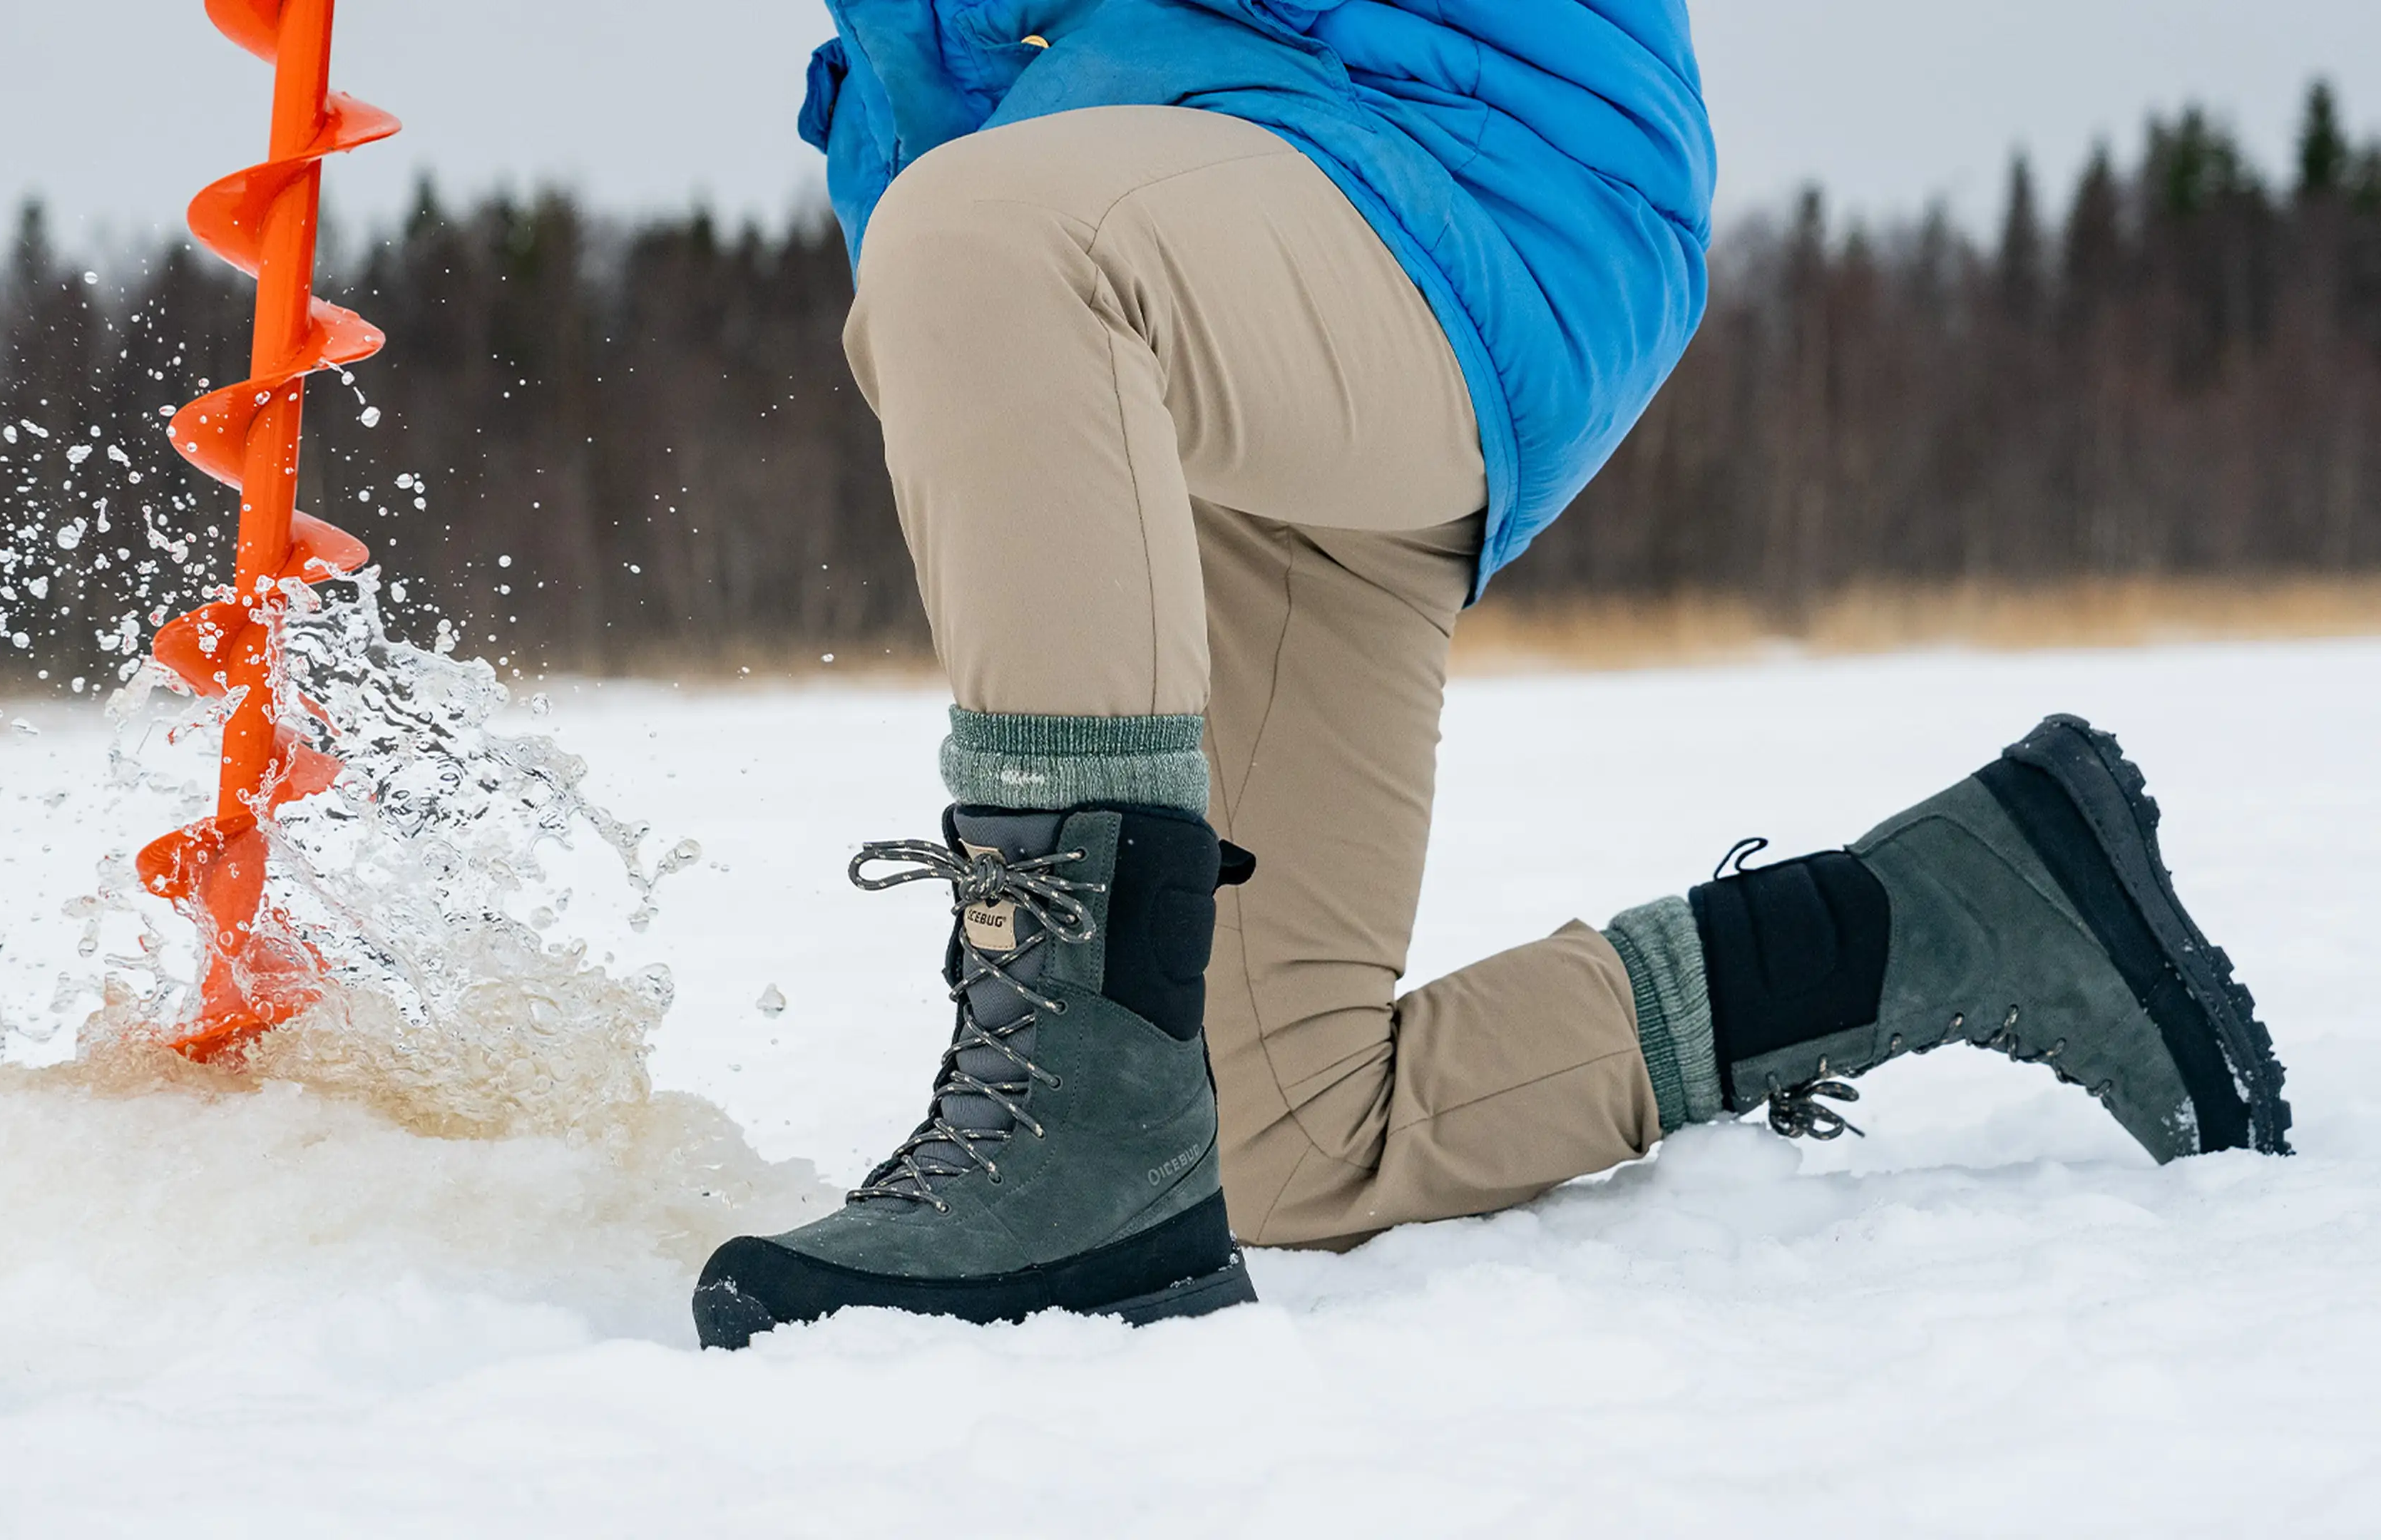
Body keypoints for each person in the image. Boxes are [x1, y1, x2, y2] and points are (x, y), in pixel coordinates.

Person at [691, 0, 2292, 1350]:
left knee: (983, 243)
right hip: (1182, 270)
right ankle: (1943, 913)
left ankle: (1068, 1099)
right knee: (1267, 1142)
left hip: (1444, 166)